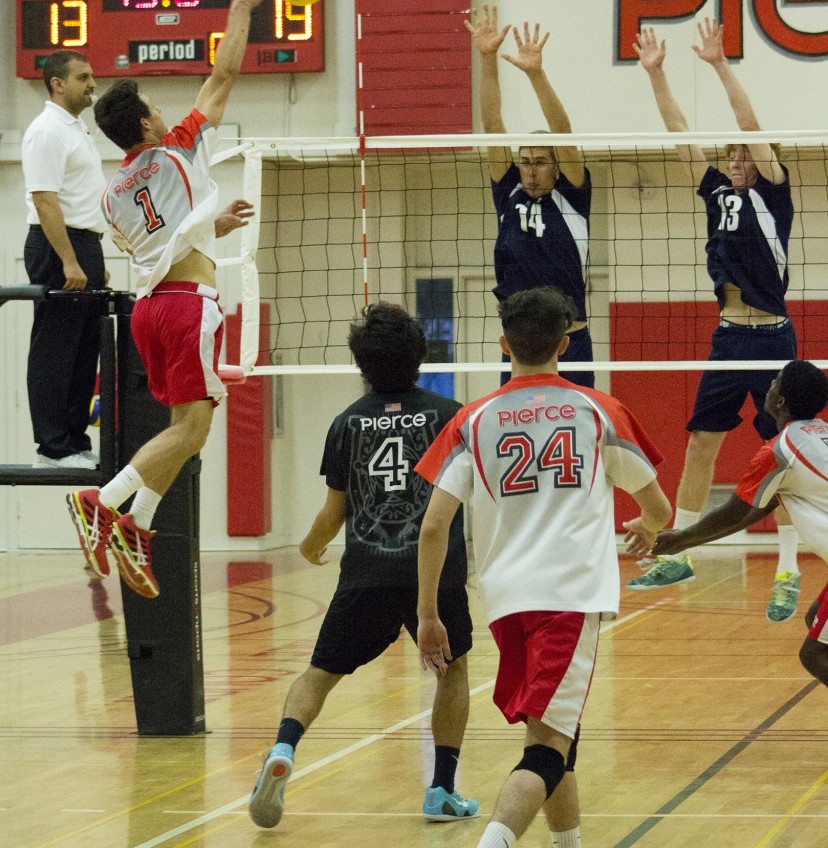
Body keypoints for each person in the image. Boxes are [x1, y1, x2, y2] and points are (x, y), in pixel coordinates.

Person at [416, 286, 672, 848]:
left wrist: (429, 614)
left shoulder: (471, 419)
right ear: (565, 342)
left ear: (503, 343)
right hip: (570, 596)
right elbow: (659, 506)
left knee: (557, 735)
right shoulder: (598, 410)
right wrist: (649, 526)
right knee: (547, 748)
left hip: (506, 600)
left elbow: (434, 526)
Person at [64, 0, 279, 598]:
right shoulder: (176, 149)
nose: (166, 112)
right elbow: (224, 76)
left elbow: (161, 241)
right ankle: (101, 502)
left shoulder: (109, 197)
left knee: (190, 429)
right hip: (189, 307)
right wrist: (240, 8)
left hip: (148, 310)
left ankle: (138, 528)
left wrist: (210, 222)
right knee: (190, 430)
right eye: (158, 109)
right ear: (151, 129)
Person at [248, 303, 478, 828]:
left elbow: (335, 511)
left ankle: (283, 749)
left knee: (319, 674)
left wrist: (308, 548)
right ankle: (441, 789)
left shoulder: (345, 423)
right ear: (421, 355)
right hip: (433, 575)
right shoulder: (452, 416)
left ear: (360, 363)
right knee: (453, 670)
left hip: (365, 574)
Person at [629, 18, 800, 622]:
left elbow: (750, 129)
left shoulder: (773, 190)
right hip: (728, 337)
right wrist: (657, 75)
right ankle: (680, 549)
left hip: (773, 337)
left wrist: (720, 67)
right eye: (727, 152)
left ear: (760, 160)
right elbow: (681, 135)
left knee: (779, 453)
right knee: (702, 441)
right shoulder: (716, 192)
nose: (733, 158)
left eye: (741, 153)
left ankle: (787, 570)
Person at [633, 360, 828, 688]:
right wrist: (687, 539)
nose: (770, 384)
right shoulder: (818, 435)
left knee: (814, 655)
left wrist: (682, 540)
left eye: (776, 381)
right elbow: (757, 510)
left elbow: (735, 511)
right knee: (815, 619)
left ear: (780, 401)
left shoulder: (780, 451)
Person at [466, 5, 593, 388]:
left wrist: (536, 74)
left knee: (583, 423)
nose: (531, 169)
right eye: (525, 161)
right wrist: (488, 59)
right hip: (520, 339)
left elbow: (563, 129)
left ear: (556, 166)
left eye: (540, 161)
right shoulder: (510, 193)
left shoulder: (572, 194)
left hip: (569, 337)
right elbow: (492, 124)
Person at [22, 50, 108, 469]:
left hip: (82, 244)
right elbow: (45, 200)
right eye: (83, 77)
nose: (93, 83)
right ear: (58, 83)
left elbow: (82, 201)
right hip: (56, 246)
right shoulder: (46, 131)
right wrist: (70, 262)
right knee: (56, 348)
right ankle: (51, 448)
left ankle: (74, 442)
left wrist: (92, 258)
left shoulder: (77, 130)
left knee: (83, 348)